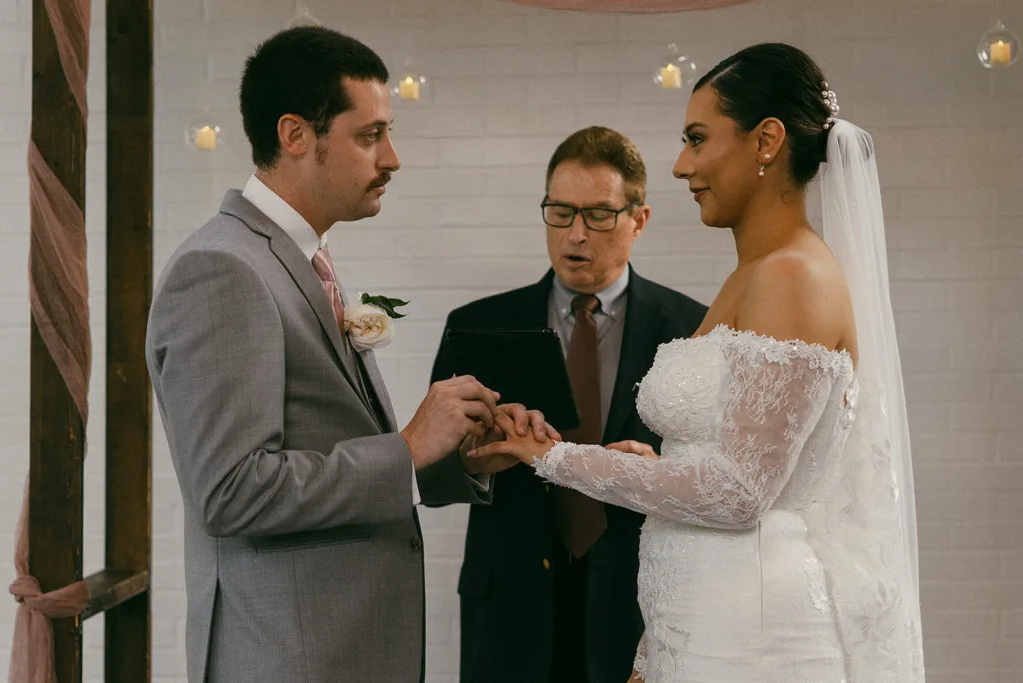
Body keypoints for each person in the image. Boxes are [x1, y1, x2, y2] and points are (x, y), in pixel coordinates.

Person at [471, 43, 925, 683]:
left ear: (766, 140)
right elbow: (742, 466)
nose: (682, 166)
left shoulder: (793, 276)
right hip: (708, 618)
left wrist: (546, 455)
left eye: (698, 138)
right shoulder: (756, 275)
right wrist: (663, 467)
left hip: (755, 632)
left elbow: (739, 496)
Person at [145, 27, 553, 683]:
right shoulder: (222, 269)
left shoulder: (299, 258)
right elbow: (230, 492)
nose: (392, 157)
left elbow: (326, 448)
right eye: (370, 136)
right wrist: (409, 446)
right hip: (290, 660)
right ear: (296, 135)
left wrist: (461, 459)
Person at [431, 127, 707, 683]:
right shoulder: (477, 326)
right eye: (559, 212)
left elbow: (715, 478)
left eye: (598, 215)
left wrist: (658, 474)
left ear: (640, 219)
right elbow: (431, 478)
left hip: (639, 604)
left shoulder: (691, 328)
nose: (575, 234)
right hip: (508, 607)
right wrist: (472, 464)